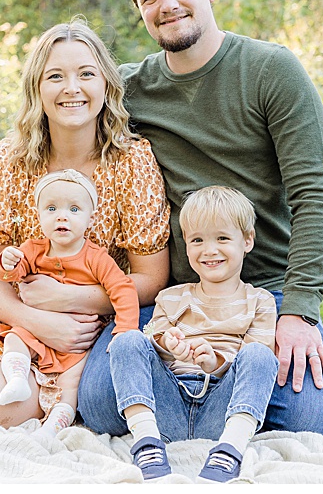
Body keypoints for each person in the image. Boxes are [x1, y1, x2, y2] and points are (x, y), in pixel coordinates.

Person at [77, 0, 323, 438]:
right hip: (175, 298)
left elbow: (315, 197)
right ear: (140, 10)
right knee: (98, 405)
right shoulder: (130, 92)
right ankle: (217, 404)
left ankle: (200, 403)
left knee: (310, 421)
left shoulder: (271, 71)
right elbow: (58, 152)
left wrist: (300, 314)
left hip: (265, 288)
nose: (168, 4)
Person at [0, 19, 171, 430]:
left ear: (106, 85)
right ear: (37, 88)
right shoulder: (11, 159)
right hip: (0, 307)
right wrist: (35, 317)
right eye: (55, 76)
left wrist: (63, 302)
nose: (72, 88)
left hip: (79, 327)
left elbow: (150, 279)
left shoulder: (132, 162)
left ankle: (3, 383)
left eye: (86, 74)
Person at [111, 186, 279, 483]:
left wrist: (215, 362)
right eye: (197, 240)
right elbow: (152, 335)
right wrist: (166, 343)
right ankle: (148, 443)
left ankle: (230, 449)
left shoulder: (260, 301)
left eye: (222, 238)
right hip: (169, 404)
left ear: (247, 241)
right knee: (128, 339)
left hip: (222, 407)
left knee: (260, 355)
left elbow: (257, 362)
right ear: (186, 244)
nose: (209, 250)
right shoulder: (171, 297)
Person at [0, 169, 140, 436]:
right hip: (37, 330)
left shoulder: (96, 258)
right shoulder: (33, 249)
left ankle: (56, 424)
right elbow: (11, 275)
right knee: (16, 339)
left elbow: (123, 289)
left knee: (73, 381)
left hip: (78, 340)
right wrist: (6, 262)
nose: (62, 216)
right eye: (51, 208)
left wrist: (125, 328)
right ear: (38, 215)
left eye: (74, 209)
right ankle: (17, 378)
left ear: (90, 218)